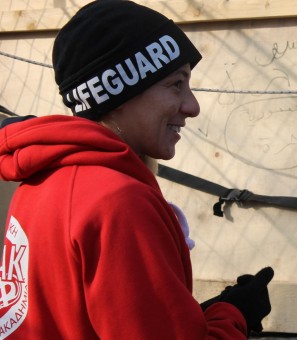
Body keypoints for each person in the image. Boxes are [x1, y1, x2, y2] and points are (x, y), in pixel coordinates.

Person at [0, 1, 273, 338]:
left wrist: (184, 313)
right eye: (176, 84)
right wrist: (234, 314)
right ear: (118, 91)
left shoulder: (40, 180)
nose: (192, 106)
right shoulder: (117, 201)